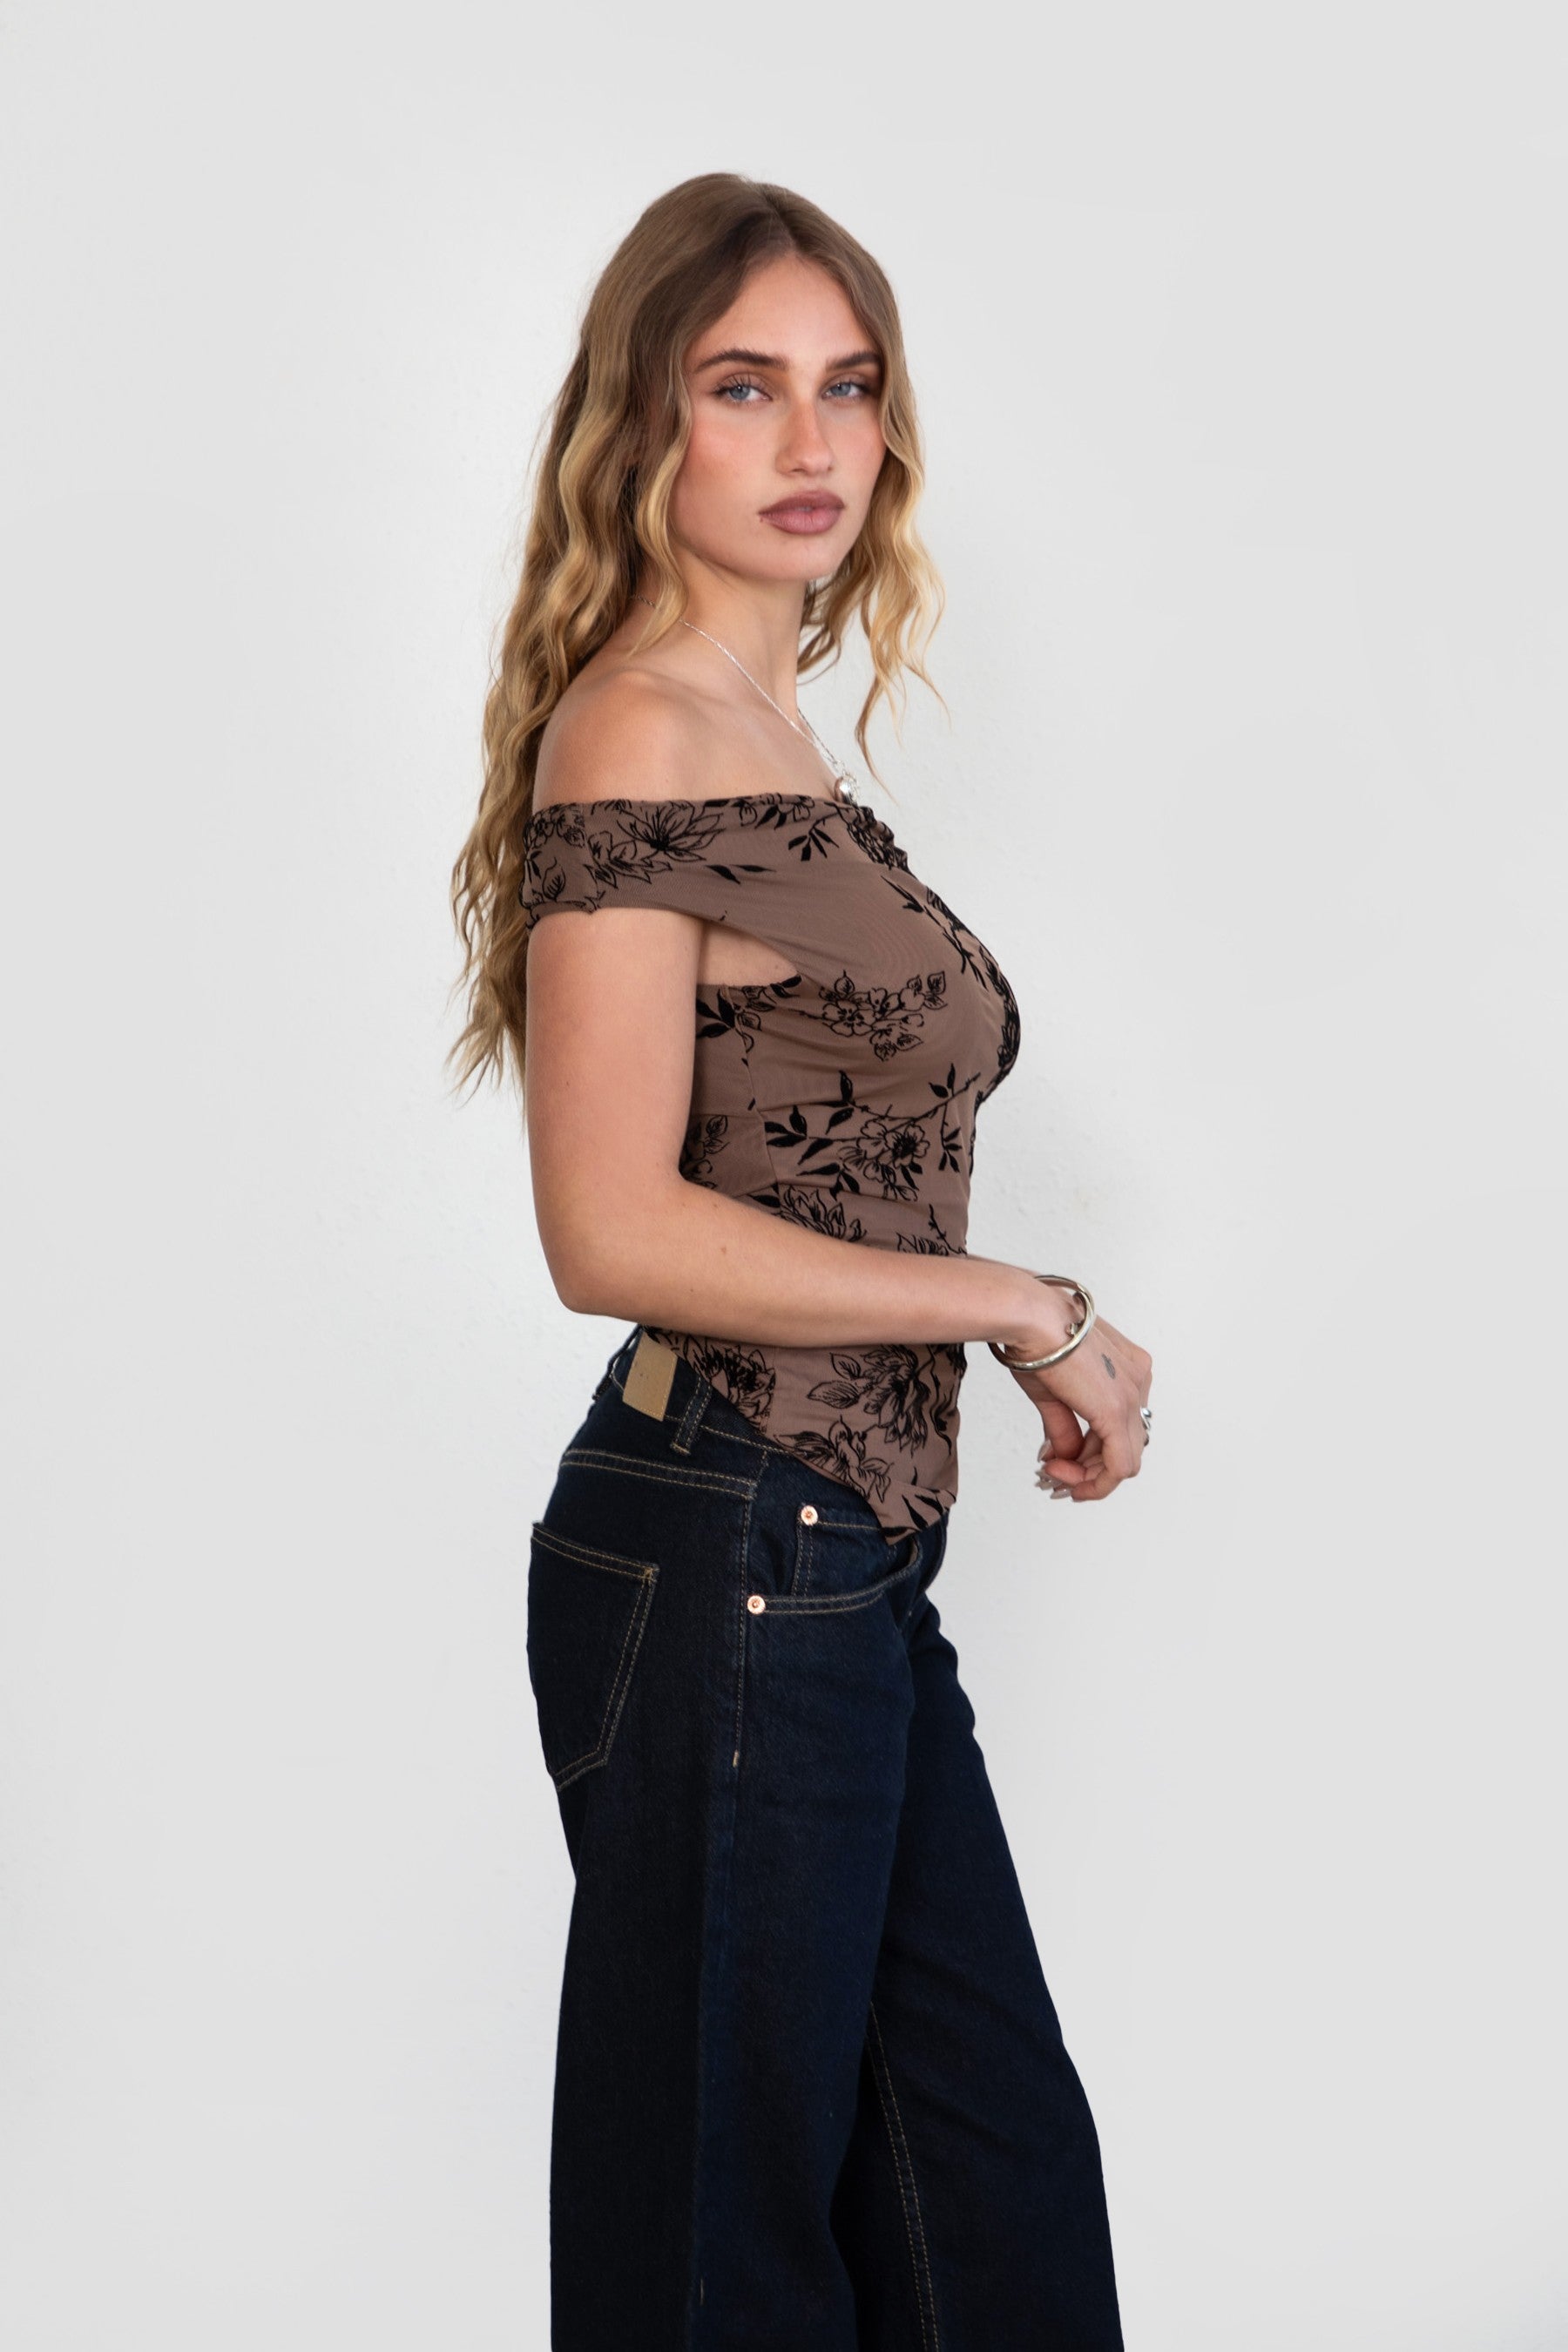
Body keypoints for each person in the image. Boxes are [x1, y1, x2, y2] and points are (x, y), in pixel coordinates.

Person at [450, 171, 1152, 2352]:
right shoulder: (640, 730)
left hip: (839, 1561)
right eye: (743, 387)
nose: (811, 441)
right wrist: (1025, 1307)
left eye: (847, 388)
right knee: (722, 2262)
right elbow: (607, 1228)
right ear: (642, 421)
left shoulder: (774, 748)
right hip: (726, 1535)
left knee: (991, 2209)